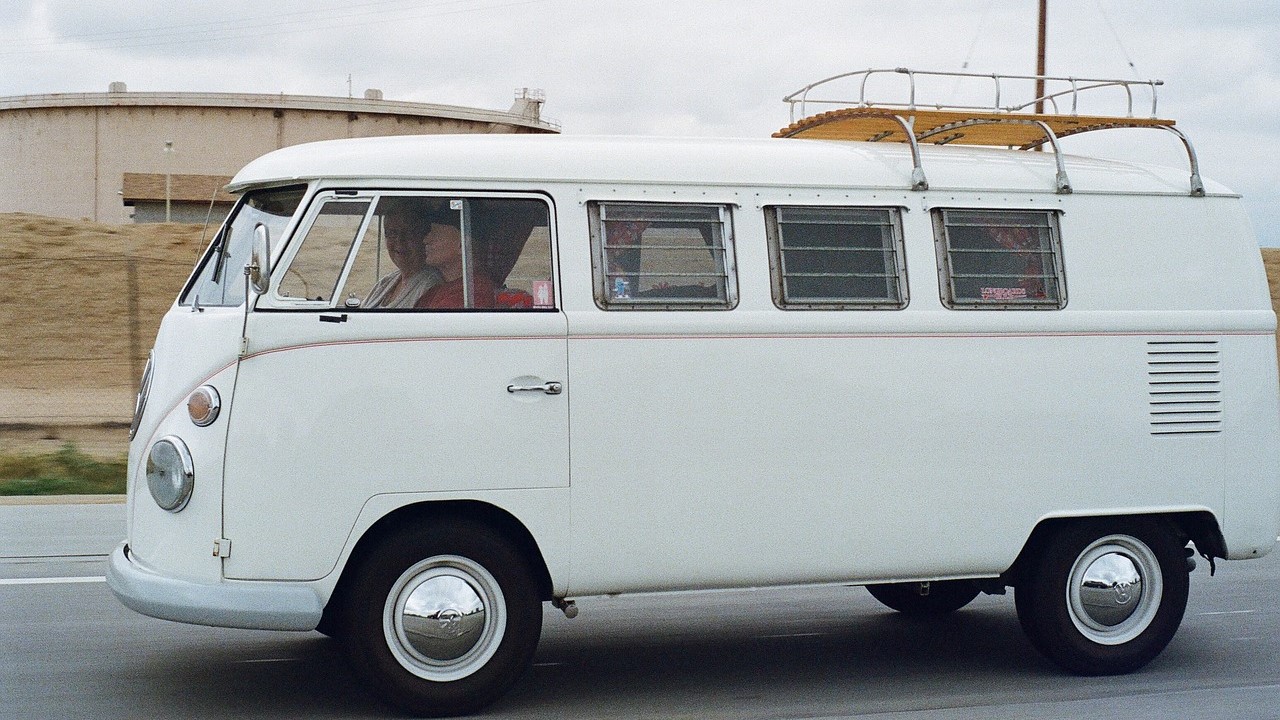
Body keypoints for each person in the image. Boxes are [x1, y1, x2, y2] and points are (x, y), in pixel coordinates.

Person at [363, 200, 444, 308]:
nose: (400, 241)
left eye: (409, 233)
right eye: (392, 233)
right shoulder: (386, 282)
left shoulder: (430, 285)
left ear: (425, 237)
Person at [414, 216, 496, 309]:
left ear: (462, 245)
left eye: (436, 234)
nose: (426, 240)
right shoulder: (435, 291)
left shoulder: (473, 293)